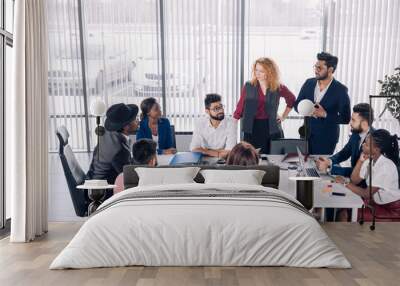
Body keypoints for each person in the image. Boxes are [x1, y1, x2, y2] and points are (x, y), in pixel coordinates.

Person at [233, 57, 295, 154]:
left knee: (274, 157)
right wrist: (233, 124)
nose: (257, 73)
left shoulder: (278, 87)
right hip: (252, 128)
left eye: (261, 71)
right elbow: (240, 106)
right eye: (256, 70)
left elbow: (291, 99)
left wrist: (283, 116)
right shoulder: (249, 85)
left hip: (272, 127)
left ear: (270, 72)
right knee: (251, 158)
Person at [294, 52, 351, 155]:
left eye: (320, 68)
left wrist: (325, 114)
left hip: (327, 139)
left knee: (320, 169)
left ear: (330, 70)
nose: (316, 70)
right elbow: (296, 104)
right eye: (315, 66)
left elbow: (346, 118)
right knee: (303, 165)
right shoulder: (308, 83)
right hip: (306, 135)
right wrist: (306, 110)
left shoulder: (341, 90)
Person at [337, 129, 400, 221]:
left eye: (366, 144)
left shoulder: (385, 166)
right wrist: (361, 160)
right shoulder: (370, 159)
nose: (362, 145)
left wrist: (344, 183)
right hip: (377, 203)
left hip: (392, 210)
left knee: (345, 214)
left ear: (376, 149)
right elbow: (355, 180)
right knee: (344, 208)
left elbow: (366, 194)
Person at [86, 103, 139, 189]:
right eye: (135, 119)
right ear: (126, 127)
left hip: (92, 181)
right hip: (102, 192)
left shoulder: (107, 134)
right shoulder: (120, 150)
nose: (138, 121)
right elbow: (128, 177)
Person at [316, 103, 373, 178]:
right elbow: (345, 152)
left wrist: (330, 168)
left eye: (353, 120)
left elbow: (359, 172)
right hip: (352, 179)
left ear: (364, 124)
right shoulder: (356, 134)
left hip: (363, 185)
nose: (350, 123)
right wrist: (328, 161)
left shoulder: (373, 142)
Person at [190, 93, 237, 158]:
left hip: (224, 159)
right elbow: (194, 148)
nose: (221, 110)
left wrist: (205, 150)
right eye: (216, 109)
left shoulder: (231, 123)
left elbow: (230, 151)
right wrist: (219, 153)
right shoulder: (200, 123)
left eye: (221, 106)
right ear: (207, 111)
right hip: (205, 159)